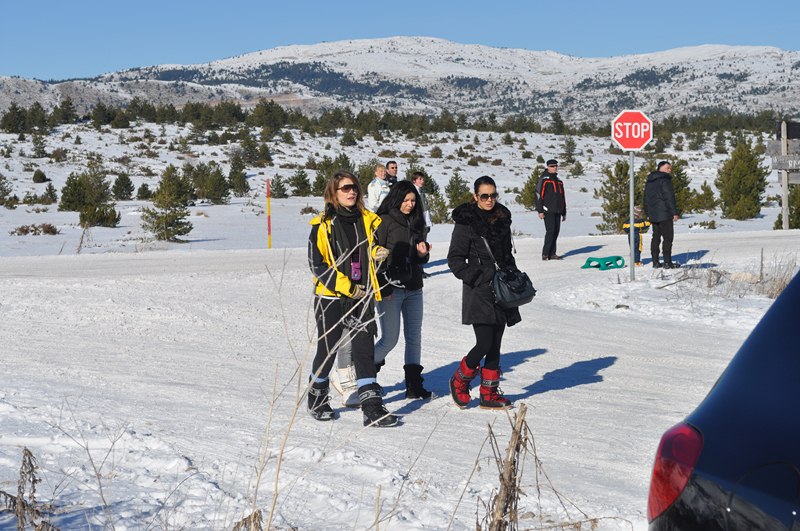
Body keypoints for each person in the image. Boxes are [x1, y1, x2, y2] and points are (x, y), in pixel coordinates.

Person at [307, 171, 398, 427]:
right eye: (346, 188)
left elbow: (366, 252)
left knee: (364, 350)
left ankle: (372, 408)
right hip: (331, 296)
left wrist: (377, 253)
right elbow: (318, 265)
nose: (352, 192)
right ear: (333, 193)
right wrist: (346, 286)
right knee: (328, 349)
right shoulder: (322, 225)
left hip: (363, 294)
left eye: (355, 188)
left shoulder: (368, 220)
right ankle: (317, 398)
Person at [447, 176, 521, 410]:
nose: (489, 200)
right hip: (479, 290)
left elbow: (507, 255)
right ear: (475, 197)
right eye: (484, 196)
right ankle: (460, 380)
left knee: (496, 342)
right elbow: (455, 259)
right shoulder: (466, 222)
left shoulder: (502, 219)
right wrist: (476, 277)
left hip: (502, 288)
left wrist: (513, 277)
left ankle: (488, 393)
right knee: (484, 342)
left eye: (493, 195)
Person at [373, 181, 433, 399]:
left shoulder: (417, 222)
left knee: (414, 336)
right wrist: (382, 286)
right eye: (406, 200)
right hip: (391, 289)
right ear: (397, 199)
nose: (410, 204)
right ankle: (363, 376)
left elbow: (421, 256)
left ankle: (414, 385)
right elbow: (374, 257)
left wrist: (422, 253)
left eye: (413, 201)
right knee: (389, 339)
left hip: (414, 286)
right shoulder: (384, 221)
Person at [644, 161, 680, 269]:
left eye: (670, 168)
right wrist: (674, 212)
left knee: (655, 237)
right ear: (660, 168)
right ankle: (667, 263)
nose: (670, 170)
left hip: (654, 215)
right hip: (665, 214)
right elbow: (669, 197)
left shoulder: (649, 181)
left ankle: (655, 262)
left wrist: (648, 213)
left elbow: (645, 198)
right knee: (668, 238)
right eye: (667, 168)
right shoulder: (665, 180)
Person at [536, 159, 567, 260]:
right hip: (547, 210)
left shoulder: (559, 182)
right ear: (548, 167)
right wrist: (540, 210)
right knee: (551, 231)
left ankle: (552, 253)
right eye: (552, 166)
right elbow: (538, 195)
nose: (554, 168)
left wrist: (564, 212)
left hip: (558, 210)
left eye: (555, 166)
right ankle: (545, 254)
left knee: (556, 231)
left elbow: (562, 197)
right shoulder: (544, 180)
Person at [411, 171, 432, 241]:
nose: (422, 181)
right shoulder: (412, 192)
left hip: (424, 224)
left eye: (423, 179)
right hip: (417, 224)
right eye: (420, 179)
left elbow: (425, 209)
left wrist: (428, 223)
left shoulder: (421, 192)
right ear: (414, 180)